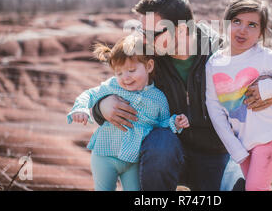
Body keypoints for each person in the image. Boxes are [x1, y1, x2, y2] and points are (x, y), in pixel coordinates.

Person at [90, 0, 272, 191]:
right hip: (168, 151)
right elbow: (114, 83)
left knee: (240, 184)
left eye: (151, 33)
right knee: (159, 141)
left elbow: (271, 74)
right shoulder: (148, 57)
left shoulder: (221, 52)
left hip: (218, 153)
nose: (144, 39)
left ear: (181, 30)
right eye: (141, 31)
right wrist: (101, 105)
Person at [205, 0, 272, 191]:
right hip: (243, 144)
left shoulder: (264, 57)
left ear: (261, 32)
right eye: (237, 21)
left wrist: (267, 89)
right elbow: (214, 107)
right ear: (226, 24)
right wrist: (234, 148)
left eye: (252, 25)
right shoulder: (214, 63)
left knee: (255, 188)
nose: (243, 30)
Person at [67, 35, 189, 191]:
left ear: (149, 66)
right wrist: (81, 108)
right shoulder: (112, 86)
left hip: (133, 160)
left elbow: (161, 125)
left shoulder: (158, 98)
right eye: (119, 73)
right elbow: (89, 95)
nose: (125, 78)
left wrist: (175, 122)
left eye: (131, 70)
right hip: (105, 155)